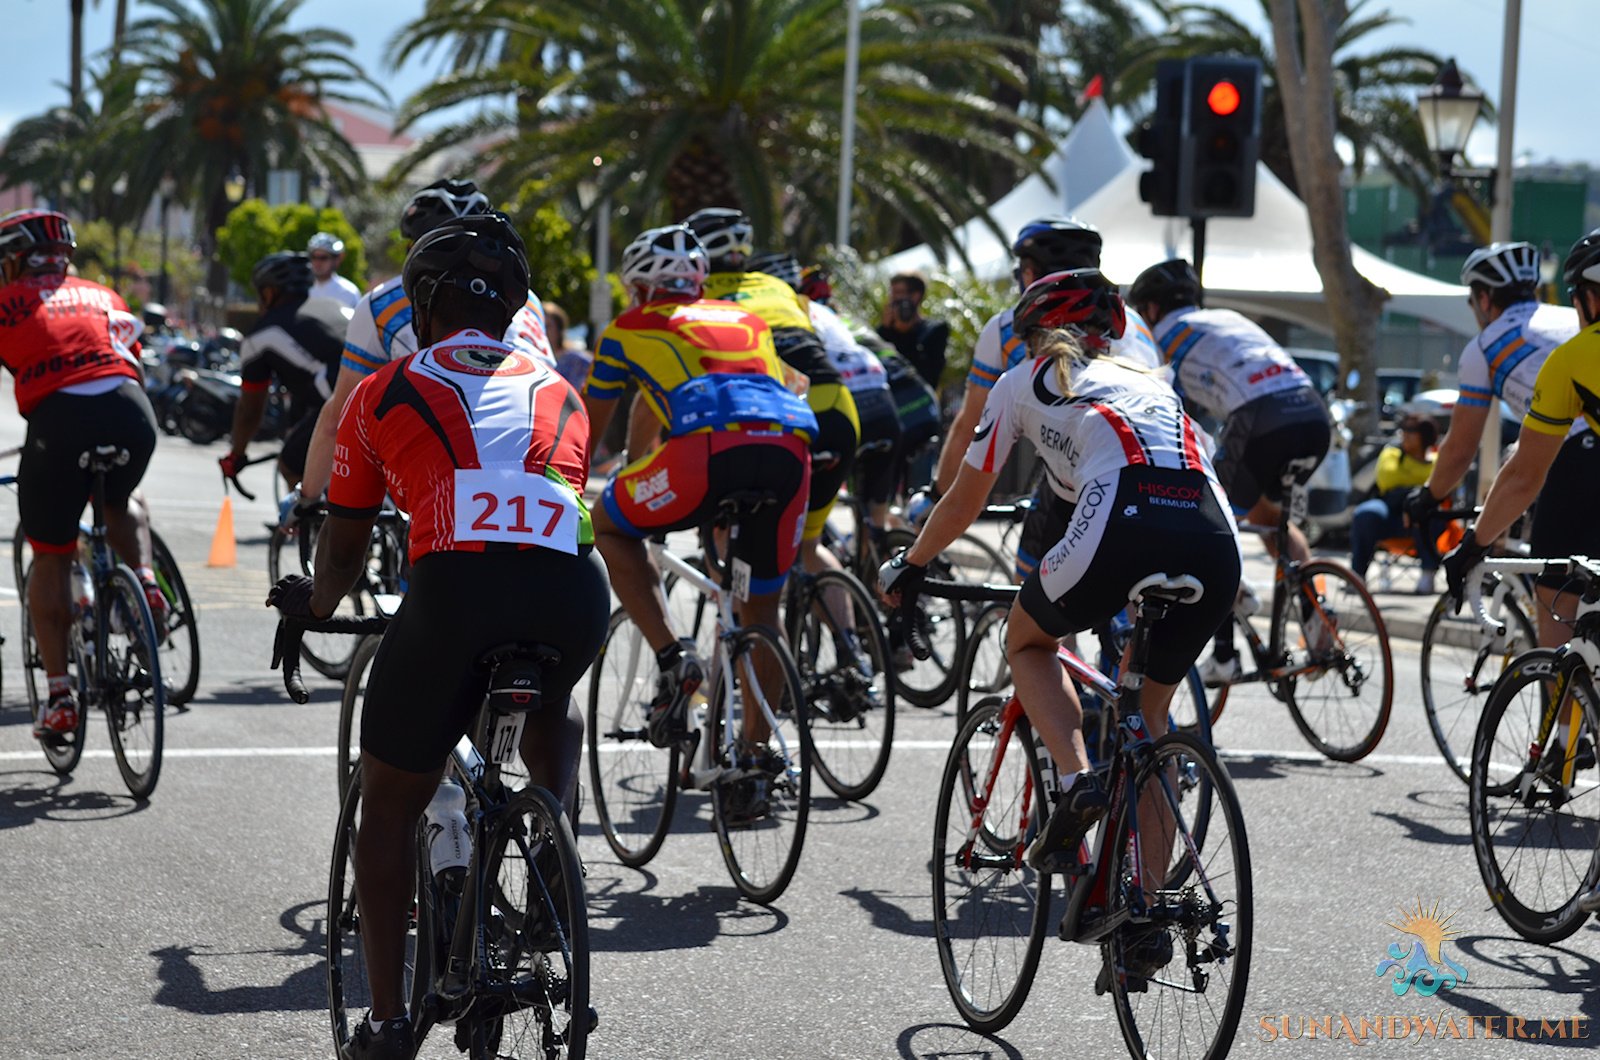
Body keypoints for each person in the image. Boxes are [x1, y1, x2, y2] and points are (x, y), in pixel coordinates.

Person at [268, 213, 608, 1059]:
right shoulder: (561, 388)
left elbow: (344, 549)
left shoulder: (385, 390)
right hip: (575, 595)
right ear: (511, 311)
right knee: (551, 693)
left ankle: (387, 1026)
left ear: (420, 307)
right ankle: (552, 823)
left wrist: (313, 606)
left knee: (386, 812)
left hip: (456, 593)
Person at [880, 271, 1240, 978]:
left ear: (1034, 333)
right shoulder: (1149, 375)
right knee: (1151, 718)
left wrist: (914, 562)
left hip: (1126, 512)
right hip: (1211, 533)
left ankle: (1075, 780)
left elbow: (965, 495)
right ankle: (1143, 911)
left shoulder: (1022, 380)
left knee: (1028, 638)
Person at [586, 224, 815, 819]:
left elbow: (585, 425)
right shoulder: (747, 319)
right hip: (791, 451)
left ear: (639, 288)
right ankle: (751, 764)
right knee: (762, 608)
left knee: (608, 524)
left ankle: (671, 656)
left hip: (708, 453)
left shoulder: (628, 328)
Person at [1128, 257, 1331, 685]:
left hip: (1260, 419)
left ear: (1150, 308)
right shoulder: (1226, 318)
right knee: (1267, 517)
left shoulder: (1159, 337)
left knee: (1205, 529)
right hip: (1313, 413)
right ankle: (1316, 617)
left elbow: (1165, 412)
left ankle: (1224, 652)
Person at [296, 178, 555, 512]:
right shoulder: (528, 300)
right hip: (544, 463)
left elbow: (337, 419)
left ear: (415, 251)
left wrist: (306, 498)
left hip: (447, 475)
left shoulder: (382, 303)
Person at [0, 209, 161, 741]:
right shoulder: (105, 295)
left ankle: (60, 697)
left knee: (52, 553)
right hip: (133, 413)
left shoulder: (7, 300)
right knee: (121, 498)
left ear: (15, 261)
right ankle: (145, 582)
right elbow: (126, 361)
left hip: (60, 425)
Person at [930, 216, 1163, 583]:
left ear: (1033, 272)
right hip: (1169, 470)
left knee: (1034, 596)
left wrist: (934, 496)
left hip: (1081, 472)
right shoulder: (1132, 321)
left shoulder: (1010, 326)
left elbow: (967, 427)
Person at [1410, 241, 1581, 647]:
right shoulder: (1569, 318)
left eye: (1472, 301)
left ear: (1484, 299)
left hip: (1571, 462)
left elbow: (1460, 449)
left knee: (1560, 625)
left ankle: (1566, 703)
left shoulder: (1484, 347)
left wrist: (1428, 497)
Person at [685, 207, 858, 576]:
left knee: (724, 530)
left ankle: (733, 628)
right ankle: (851, 635)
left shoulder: (697, 299)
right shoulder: (779, 286)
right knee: (810, 548)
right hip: (839, 409)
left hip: (777, 419)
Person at [752, 251, 903, 527]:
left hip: (841, 404)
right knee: (874, 517)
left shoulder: (786, 313)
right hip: (883, 400)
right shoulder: (830, 312)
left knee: (800, 528)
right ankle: (880, 554)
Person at [219, 252, 348, 492]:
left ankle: (317, 527)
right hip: (388, 388)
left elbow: (250, 409)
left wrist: (236, 454)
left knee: (292, 464)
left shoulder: (261, 335)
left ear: (269, 293)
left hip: (342, 402)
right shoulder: (336, 307)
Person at [1348, 414, 1440, 593]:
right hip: (1390, 509)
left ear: (1425, 435)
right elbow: (1388, 479)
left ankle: (1428, 575)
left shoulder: (1437, 460)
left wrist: (1414, 495)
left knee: (1426, 512)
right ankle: (1357, 576)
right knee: (1365, 514)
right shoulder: (1391, 453)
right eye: (1403, 429)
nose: (1404, 434)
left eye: (1411, 431)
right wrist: (1416, 489)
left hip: (1422, 513)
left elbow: (1443, 484)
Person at [875, 271, 949, 391]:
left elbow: (929, 376)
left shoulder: (935, 329)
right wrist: (885, 330)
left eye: (898, 293)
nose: (893, 299)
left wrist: (904, 334)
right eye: (891, 293)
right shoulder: (885, 331)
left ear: (916, 296)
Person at [545, 300, 593, 392]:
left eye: (548, 326)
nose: (544, 331)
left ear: (559, 330)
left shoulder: (577, 360)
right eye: (541, 326)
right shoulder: (531, 359)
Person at [307, 232, 361, 308]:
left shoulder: (349, 292)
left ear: (337, 260)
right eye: (314, 257)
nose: (317, 262)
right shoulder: (300, 288)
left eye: (323, 258)